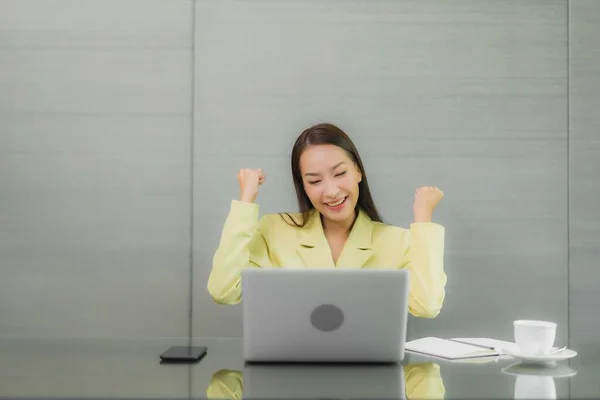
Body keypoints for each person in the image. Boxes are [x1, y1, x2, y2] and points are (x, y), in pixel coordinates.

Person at [207, 122, 446, 318]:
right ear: (304, 187)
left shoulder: (397, 241)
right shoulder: (274, 230)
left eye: (340, 173)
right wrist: (246, 202)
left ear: (358, 172)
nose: (331, 191)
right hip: (289, 369)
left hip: (368, 373)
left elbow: (426, 306)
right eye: (314, 181)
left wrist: (423, 220)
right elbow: (224, 290)